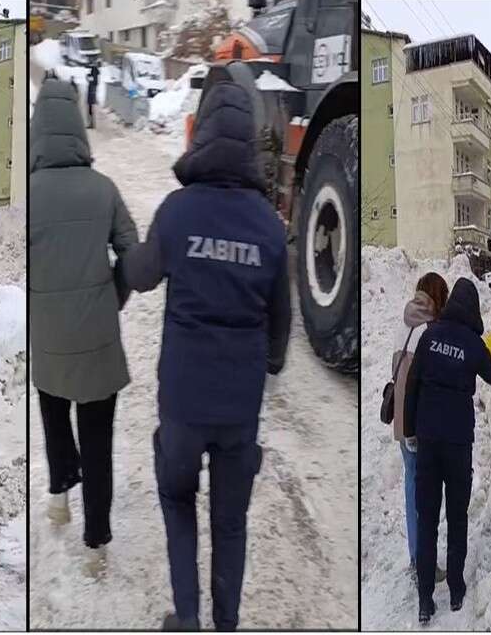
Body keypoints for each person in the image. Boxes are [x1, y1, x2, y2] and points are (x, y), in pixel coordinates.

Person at [121, 80, 290, 631]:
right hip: (239, 409)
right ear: (249, 143)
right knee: (231, 524)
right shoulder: (269, 226)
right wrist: (266, 363)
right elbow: (281, 324)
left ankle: (187, 618)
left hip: (183, 403)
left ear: (202, 131)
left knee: (177, 502)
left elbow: (143, 275)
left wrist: (121, 259)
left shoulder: (177, 210)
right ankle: (226, 623)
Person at [29, 77, 139, 577]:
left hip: (49, 342)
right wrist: (112, 296)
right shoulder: (105, 189)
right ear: (77, 129)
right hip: (98, 341)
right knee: (98, 444)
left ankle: (57, 500)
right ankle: (96, 547)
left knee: (54, 420)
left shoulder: (27, 195)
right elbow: (133, 257)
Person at [404, 279, 491, 624]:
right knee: (456, 516)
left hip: (428, 441)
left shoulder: (430, 335)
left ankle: (425, 597)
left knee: (426, 519)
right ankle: (455, 588)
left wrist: (409, 430)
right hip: (457, 444)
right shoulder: (471, 343)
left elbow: (412, 386)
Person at [390, 272, 449, 582]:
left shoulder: (405, 323)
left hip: (402, 424)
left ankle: (416, 558)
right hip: (420, 425)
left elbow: (395, 371)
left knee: (412, 490)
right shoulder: (429, 330)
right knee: (425, 498)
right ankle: (425, 565)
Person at [86, 63, 99, 129]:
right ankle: (92, 123)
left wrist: (87, 77)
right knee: (91, 109)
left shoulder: (93, 79)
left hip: (91, 94)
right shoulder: (96, 76)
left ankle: (92, 124)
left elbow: (92, 81)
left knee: (91, 110)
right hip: (92, 93)